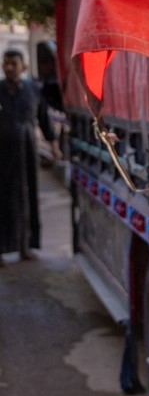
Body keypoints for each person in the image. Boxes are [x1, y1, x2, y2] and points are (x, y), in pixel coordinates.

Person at [1, 49, 61, 267]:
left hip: (27, 151)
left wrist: (54, 146)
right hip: (2, 154)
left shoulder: (33, 90)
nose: (9, 67)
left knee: (27, 199)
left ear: (23, 67)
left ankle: (26, 246)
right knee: (3, 200)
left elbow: (44, 120)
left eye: (13, 64)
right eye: (5, 64)